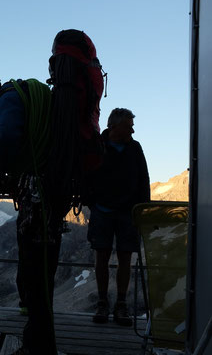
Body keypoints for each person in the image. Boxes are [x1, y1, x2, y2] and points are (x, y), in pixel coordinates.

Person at [0, 29, 104, 355]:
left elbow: (8, 135)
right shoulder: (33, 90)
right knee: (43, 269)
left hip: (38, 195)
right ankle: (41, 343)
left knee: (36, 271)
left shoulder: (8, 98)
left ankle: (37, 348)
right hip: (52, 192)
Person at [87, 108, 150, 326]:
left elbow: (143, 179)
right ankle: (104, 302)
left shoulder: (134, 147)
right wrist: (91, 202)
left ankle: (120, 304)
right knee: (101, 258)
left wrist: (142, 209)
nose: (132, 129)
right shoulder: (98, 144)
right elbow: (86, 173)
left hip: (127, 213)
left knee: (125, 259)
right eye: (129, 125)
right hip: (102, 211)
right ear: (114, 127)